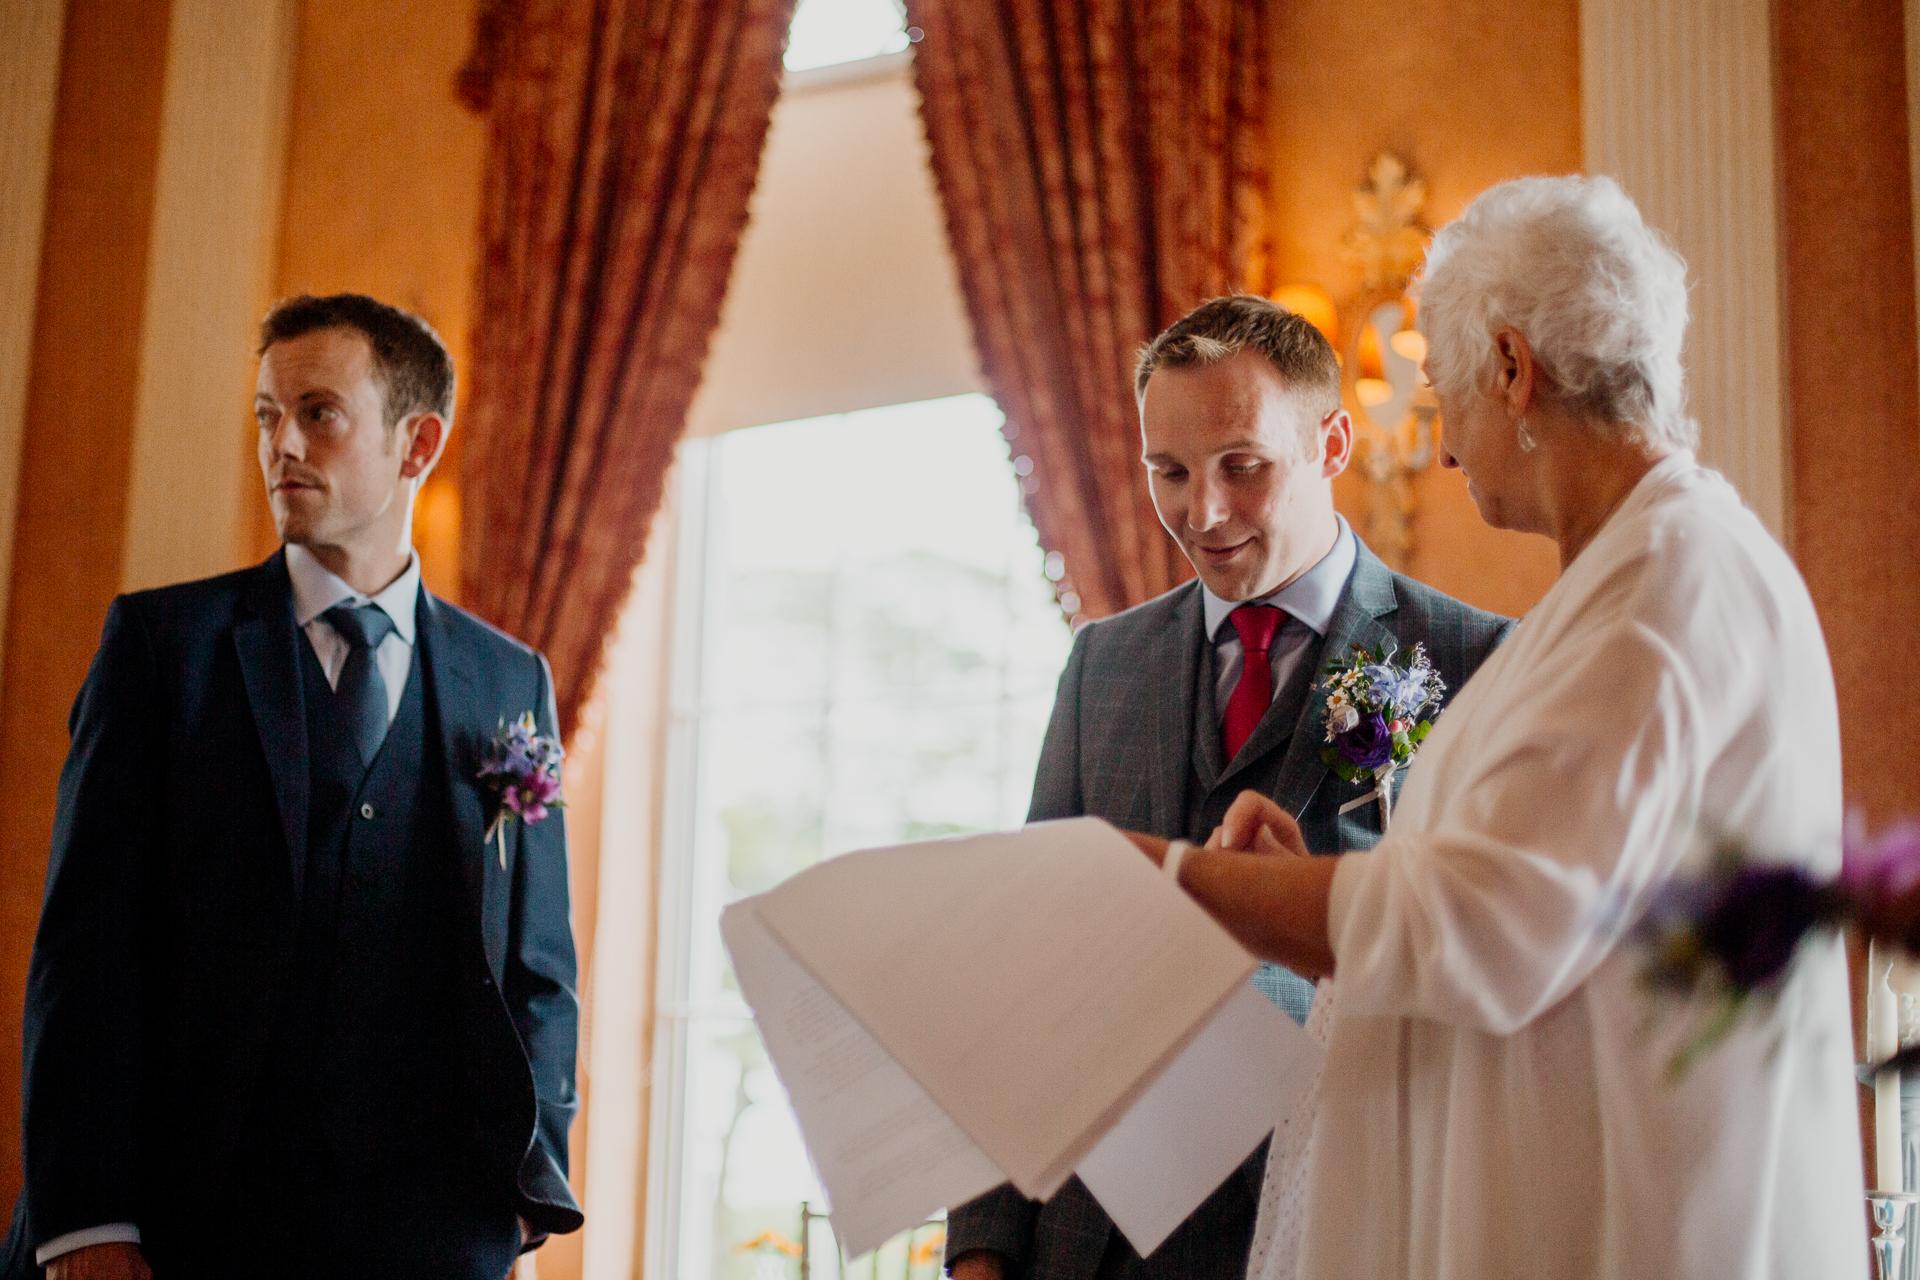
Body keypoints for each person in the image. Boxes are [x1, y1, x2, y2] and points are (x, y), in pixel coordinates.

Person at [1126, 177, 1866, 1280]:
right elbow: (1544, 881)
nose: (1440, 444)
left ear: (1514, 367)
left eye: (1439, 384)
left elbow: (1485, 922)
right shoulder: (1620, 581)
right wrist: (1312, 884)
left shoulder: (1670, 583)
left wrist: (1161, 873)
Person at [6, 295, 582, 1280]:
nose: (283, 444)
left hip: (432, 1231)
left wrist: (521, 1190)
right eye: (268, 414)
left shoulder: (509, 678)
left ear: (418, 442)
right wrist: (89, 1215)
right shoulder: (163, 646)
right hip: (190, 1218)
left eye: (319, 412)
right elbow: (88, 949)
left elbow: (537, 967)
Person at [944, 296, 1513, 1280]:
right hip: (1087, 1246)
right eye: (1169, 471)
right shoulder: (1102, 665)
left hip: (1331, 1222)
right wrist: (982, 1248)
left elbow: (1483, 974)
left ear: (1332, 441)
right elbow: (1023, 967)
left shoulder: (1470, 659)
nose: (1202, 512)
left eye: (1242, 466)